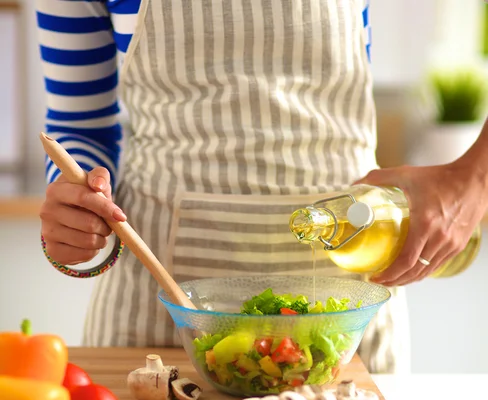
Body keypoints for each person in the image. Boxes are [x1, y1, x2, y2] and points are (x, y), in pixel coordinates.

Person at [35, 0, 487, 374]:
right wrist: (77, 199)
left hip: (349, 318)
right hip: (154, 315)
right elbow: (81, 123)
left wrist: (474, 179)